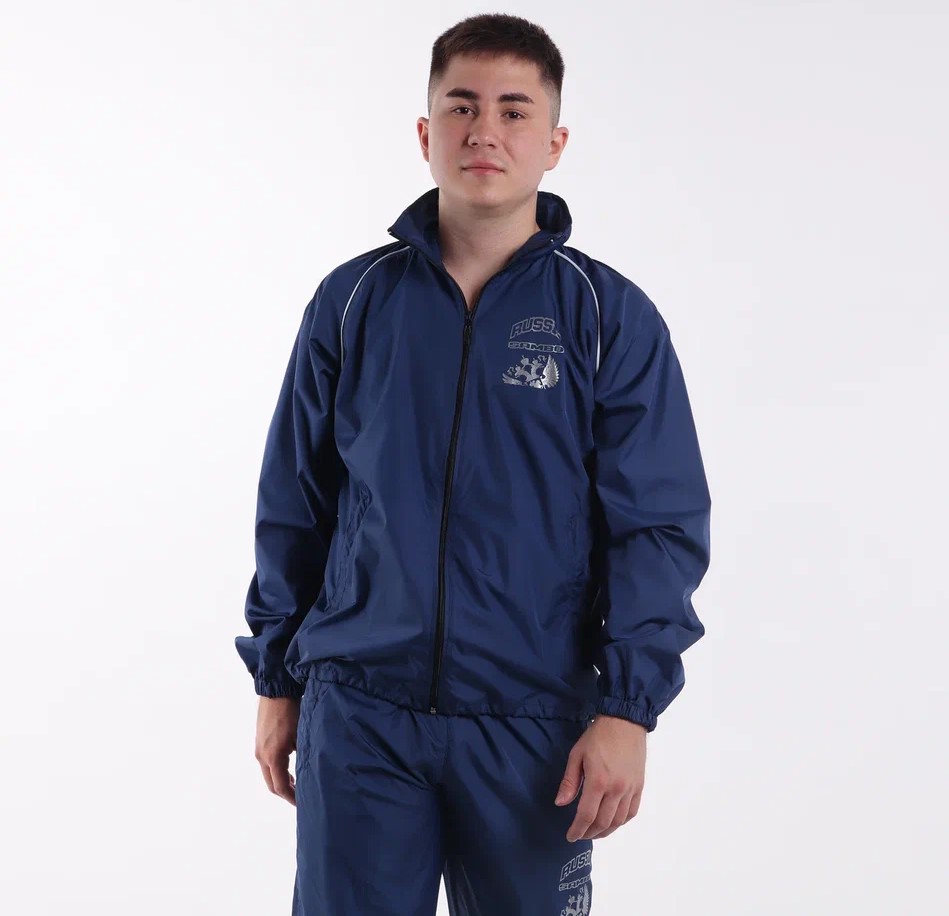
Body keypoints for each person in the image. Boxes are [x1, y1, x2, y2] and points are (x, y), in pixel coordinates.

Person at [235, 12, 711, 916]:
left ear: (554, 143)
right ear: (425, 134)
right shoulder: (352, 302)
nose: (484, 131)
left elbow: (656, 526)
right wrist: (276, 678)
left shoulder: (606, 318)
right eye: (460, 107)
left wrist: (627, 709)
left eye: (513, 110)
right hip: (360, 711)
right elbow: (296, 501)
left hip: (533, 722)